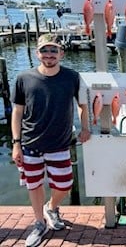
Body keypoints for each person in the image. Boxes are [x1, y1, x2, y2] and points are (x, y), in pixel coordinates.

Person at [11, 33, 91, 247]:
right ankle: (39, 223)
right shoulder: (23, 78)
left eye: (53, 50)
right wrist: (16, 143)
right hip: (29, 143)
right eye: (45, 50)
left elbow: (83, 106)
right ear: (37, 53)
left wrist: (85, 127)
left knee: (64, 185)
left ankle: (51, 207)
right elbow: (17, 112)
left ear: (61, 53)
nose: (49, 54)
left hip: (60, 143)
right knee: (33, 185)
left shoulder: (72, 77)